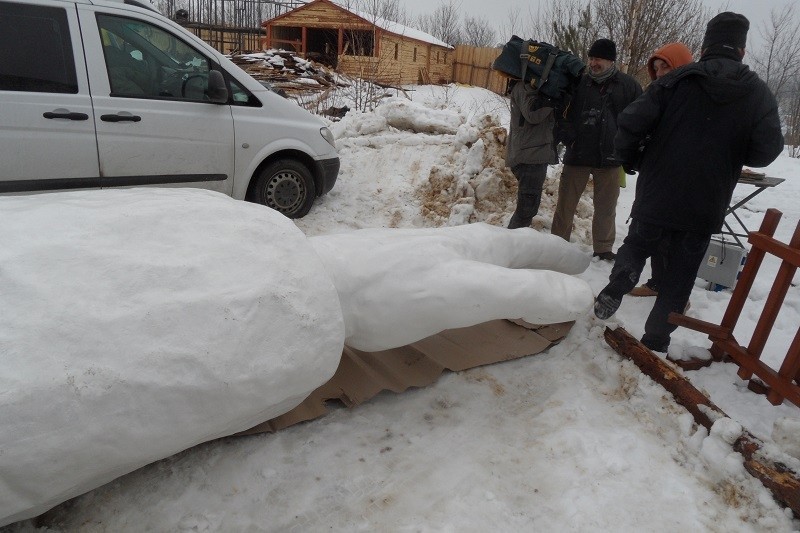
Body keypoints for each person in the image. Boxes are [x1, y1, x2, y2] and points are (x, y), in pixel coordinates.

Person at [593, 12, 784, 353]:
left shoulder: (676, 81)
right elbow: (765, 152)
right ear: (742, 50)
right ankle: (655, 341)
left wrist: (635, 159)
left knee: (638, 244)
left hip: (658, 192)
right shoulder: (757, 92)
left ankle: (621, 279)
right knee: (680, 275)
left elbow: (631, 121)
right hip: (706, 201)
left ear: (706, 46)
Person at [551, 38, 642, 261]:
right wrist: (567, 135)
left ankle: (603, 248)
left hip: (610, 157)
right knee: (566, 204)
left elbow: (640, 118)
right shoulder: (578, 83)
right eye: (591, 58)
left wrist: (629, 147)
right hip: (578, 154)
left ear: (611, 61)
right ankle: (556, 243)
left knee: (606, 207)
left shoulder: (628, 86)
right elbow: (560, 113)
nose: (593, 63)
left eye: (598, 59)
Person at [629, 42, 694, 298]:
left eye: (665, 66)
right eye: (656, 68)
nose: (660, 73)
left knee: (675, 240)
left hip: (684, 177)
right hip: (657, 174)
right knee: (653, 232)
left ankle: (677, 297)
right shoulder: (655, 93)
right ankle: (657, 283)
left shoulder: (693, 96)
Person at [505, 80, 558, 229]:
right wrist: (551, 96)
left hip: (535, 154)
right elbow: (533, 114)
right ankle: (512, 245)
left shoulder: (534, 87)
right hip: (529, 156)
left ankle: (515, 242)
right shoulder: (523, 86)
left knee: (528, 208)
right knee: (526, 210)